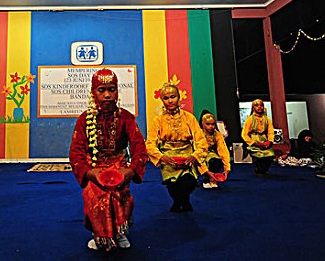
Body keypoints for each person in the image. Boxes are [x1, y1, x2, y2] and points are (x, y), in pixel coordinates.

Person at [69, 69, 147, 251]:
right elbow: (76, 153)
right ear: (93, 92)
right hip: (95, 168)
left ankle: (119, 233)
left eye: (111, 89)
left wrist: (131, 170)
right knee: (95, 196)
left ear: (117, 91)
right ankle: (100, 235)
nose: (107, 95)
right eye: (102, 90)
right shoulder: (84, 120)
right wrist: (89, 172)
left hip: (119, 167)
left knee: (120, 196)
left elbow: (139, 148)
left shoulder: (126, 117)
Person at [146, 82, 207, 212]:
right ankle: (179, 201)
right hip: (168, 157)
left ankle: (182, 200)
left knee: (188, 182)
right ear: (162, 100)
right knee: (172, 185)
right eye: (166, 98)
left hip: (186, 155)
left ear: (178, 97)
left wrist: (194, 156)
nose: (170, 101)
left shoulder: (189, 117)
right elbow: (150, 143)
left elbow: (201, 140)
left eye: (173, 97)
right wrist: (162, 157)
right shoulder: (158, 120)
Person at [241, 99, 275, 175]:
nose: (259, 107)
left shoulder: (267, 119)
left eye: (261, 105)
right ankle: (259, 170)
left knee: (270, 155)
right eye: (256, 105)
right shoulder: (249, 119)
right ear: (253, 108)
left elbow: (271, 132)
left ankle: (262, 171)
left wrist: (270, 141)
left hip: (264, 140)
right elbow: (244, 134)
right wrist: (254, 143)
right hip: (254, 141)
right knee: (260, 156)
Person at [198, 112, 231, 188]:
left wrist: (227, 168)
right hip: (197, 154)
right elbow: (198, 152)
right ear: (203, 124)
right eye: (208, 124)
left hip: (210, 153)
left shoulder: (218, 135)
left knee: (216, 160)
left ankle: (213, 179)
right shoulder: (199, 134)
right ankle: (206, 179)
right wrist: (205, 170)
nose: (211, 127)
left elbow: (223, 151)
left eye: (213, 124)